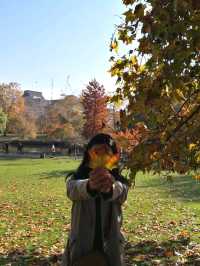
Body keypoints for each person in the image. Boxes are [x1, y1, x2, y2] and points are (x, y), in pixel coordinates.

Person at [61, 133, 129, 266]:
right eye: (97, 152)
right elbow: (72, 190)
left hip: (111, 247)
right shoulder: (77, 178)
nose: (101, 157)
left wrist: (110, 188)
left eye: (106, 153)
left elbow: (121, 192)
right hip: (82, 247)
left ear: (114, 157)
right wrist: (89, 185)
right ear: (89, 154)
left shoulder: (119, 181)